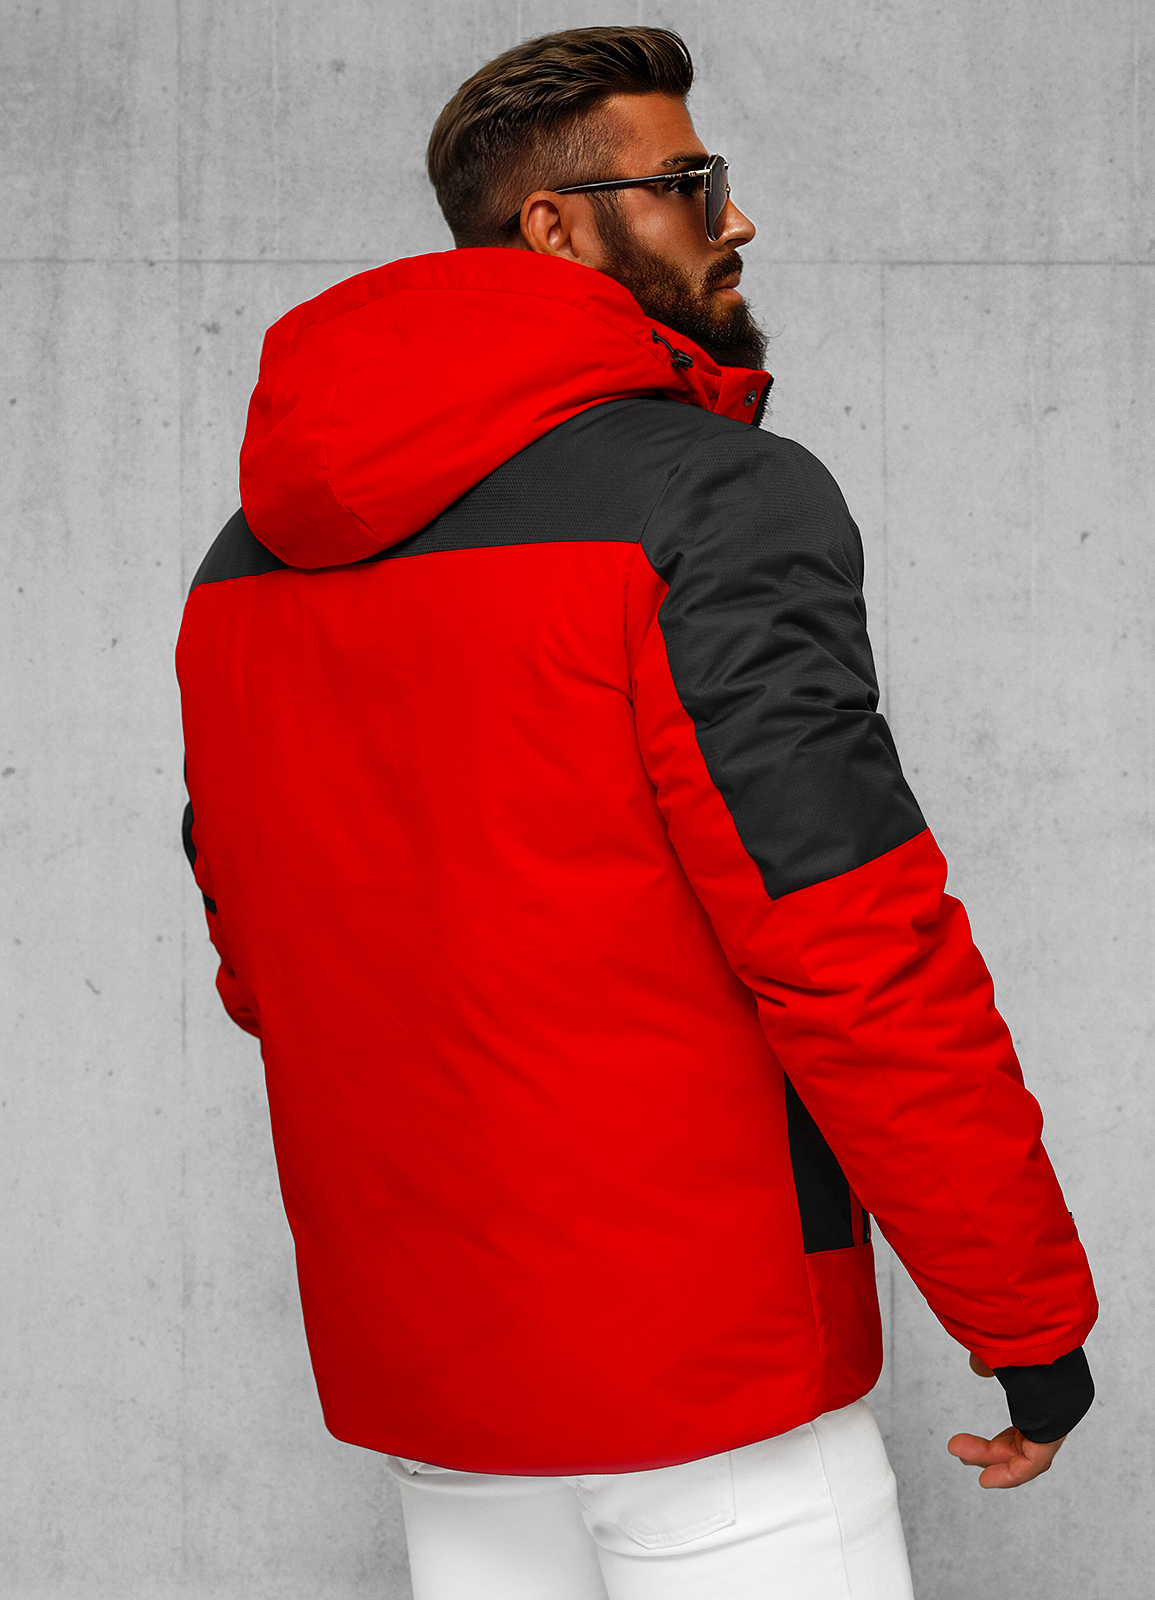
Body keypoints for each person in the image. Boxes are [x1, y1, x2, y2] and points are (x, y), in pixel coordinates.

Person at [176, 25, 1097, 1600]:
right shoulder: (715, 499)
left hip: (437, 1380)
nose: (737, 218)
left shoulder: (247, 558)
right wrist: (1023, 1318)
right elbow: (852, 942)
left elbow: (263, 953)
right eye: (693, 182)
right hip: (710, 1377)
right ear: (555, 225)